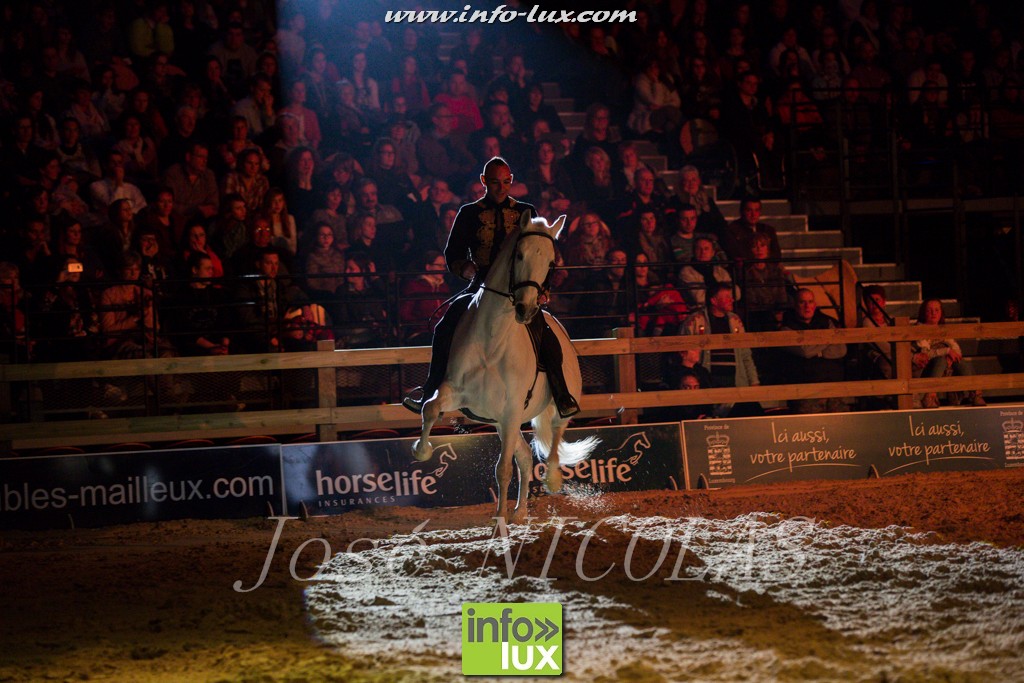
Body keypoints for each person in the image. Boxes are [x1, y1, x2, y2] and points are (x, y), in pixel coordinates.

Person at [402, 157, 581, 418]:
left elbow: (541, 254)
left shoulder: (526, 211)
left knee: (546, 333)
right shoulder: (468, 213)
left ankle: (561, 392)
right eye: (496, 182)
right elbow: (452, 253)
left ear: (512, 181)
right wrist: (464, 267)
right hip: (480, 287)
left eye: (506, 182)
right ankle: (430, 392)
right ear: (484, 181)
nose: (501, 187)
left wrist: (543, 288)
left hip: (520, 290)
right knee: (444, 327)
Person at [681, 284, 761, 417]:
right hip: (708, 381)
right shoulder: (695, 321)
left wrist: (753, 381)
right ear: (714, 300)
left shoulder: (735, 321)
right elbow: (683, 353)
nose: (732, 300)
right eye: (727, 297)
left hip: (735, 381)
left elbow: (745, 354)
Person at [779, 288, 847, 413]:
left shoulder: (827, 322)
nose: (807, 306)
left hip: (833, 387)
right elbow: (805, 351)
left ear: (815, 305)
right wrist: (827, 339)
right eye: (802, 302)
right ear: (795, 305)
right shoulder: (787, 328)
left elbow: (841, 350)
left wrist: (817, 351)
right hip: (806, 391)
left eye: (810, 302)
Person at [914, 298, 984, 408]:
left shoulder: (943, 330)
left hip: (947, 365)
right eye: (929, 310)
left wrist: (951, 357)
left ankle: (975, 394)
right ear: (923, 312)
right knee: (941, 361)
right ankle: (929, 396)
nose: (933, 313)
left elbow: (956, 349)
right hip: (927, 367)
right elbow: (925, 354)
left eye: (937, 310)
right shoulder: (919, 329)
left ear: (941, 312)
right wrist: (946, 351)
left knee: (960, 361)